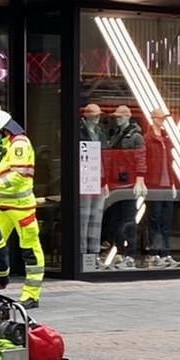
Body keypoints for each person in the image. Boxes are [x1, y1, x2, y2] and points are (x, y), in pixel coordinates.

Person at [0, 108, 46, 308]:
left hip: (21, 209)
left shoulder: (20, 145)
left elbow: (18, 176)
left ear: (2, 130)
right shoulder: (8, 145)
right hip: (3, 207)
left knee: (30, 250)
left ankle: (31, 294)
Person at [102, 105, 147, 268]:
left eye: (120, 116)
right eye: (116, 117)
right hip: (115, 184)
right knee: (115, 220)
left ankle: (130, 254)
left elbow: (140, 158)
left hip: (128, 184)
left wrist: (139, 179)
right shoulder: (114, 135)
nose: (117, 119)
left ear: (128, 116)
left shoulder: (135, 137)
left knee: (128, 220)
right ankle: (120, 251)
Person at [143, 121, 180, 268]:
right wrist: (145, 181)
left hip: (166, 185)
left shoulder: (166, 139)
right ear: (153, 119)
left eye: (163, 118)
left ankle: (165, 253)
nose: (162, 121)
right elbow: (145, 161)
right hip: (154, 184)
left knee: (166, 221)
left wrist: (172, 185)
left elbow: (170, 162)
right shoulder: (147, 139)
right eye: (160, 117)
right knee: (154, 220)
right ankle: (154, 253)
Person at [79, 102, 111, 264]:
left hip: (98, 179)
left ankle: (94, 253)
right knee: (83, 218)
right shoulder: (78, 132)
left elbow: (104, 158)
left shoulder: (99, 132)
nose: (97, 119)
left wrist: (105, 181)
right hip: (84, 179)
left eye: (98, 116)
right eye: (94, 116)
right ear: (87, 116)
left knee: (96, 218)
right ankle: (83, 253)